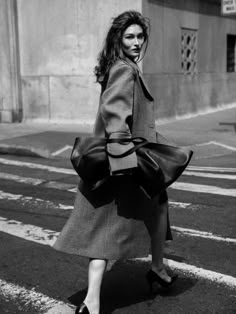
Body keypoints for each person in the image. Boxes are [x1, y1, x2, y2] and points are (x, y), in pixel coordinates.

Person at [54, 10, 177, 314]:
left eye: (140, 36)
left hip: (130, 156)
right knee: (106, 229)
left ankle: (156, 270)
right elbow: (115, 112)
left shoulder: (120, 66)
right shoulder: (124, 69)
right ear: (119, 40)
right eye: (130, 37)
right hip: (123, 161)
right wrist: (122, 156)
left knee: (155, 206)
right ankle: (93, 301)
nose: (136, 42)